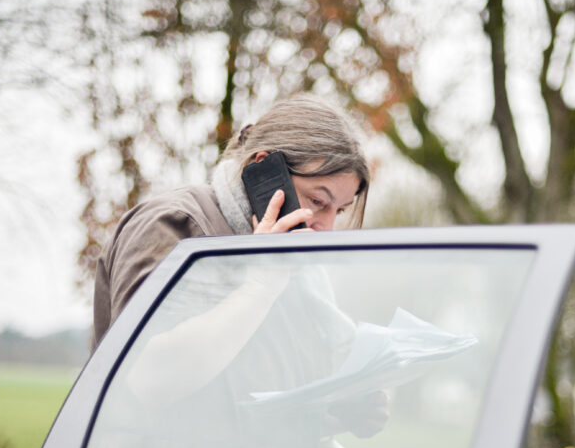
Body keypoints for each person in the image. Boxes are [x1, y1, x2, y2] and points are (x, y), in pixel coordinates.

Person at [92, 93, 370, 347]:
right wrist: (260, 288)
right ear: (264, 169)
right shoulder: (174, 225)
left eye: (340, 211)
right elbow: (145, 377)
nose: (327, 228)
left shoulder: (302, 278)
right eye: (318, 201)